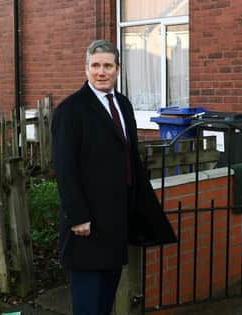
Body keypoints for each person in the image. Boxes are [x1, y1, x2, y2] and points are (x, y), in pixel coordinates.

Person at [52, 39, 176, 315]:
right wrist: (78, 216)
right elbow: (64, 168)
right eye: (95, 66)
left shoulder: (122, 104)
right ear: (86, 69)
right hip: (87, 224)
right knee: (88, 306)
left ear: (117, 69)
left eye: (107, 65)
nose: (101, 72)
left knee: (106, 300)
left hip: (116, 221)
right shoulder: (71, 110)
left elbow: (129, 157)